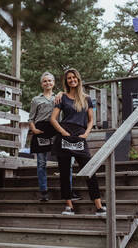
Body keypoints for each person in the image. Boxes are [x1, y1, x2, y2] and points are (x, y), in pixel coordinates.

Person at [50, 68, 106, 216]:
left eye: (74, 77)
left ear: (78, 79)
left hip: (80, 135)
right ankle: (69, 206)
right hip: (65, 135)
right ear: (66, 81)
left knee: (89, 171)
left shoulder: (86, 98)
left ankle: (99, 207)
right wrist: (63, 132)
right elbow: (53, 119)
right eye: (69, 78)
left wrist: (86, 133)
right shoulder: (61, 97)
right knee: (64, 172)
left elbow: (91, 119)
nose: (72, 80)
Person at [29, 72, 80, 202]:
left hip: (56, 129)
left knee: (64, 162)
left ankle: (68, 190)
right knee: (41, 163)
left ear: (54, 83)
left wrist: (61, 93)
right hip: (40, 130)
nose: (48, 83)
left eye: (50, 81)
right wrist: (33, 129)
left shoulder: (60, 97)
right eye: (45, 81)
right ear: (41, 84)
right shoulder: (36, 99)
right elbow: (31, 118)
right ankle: (43, 191)